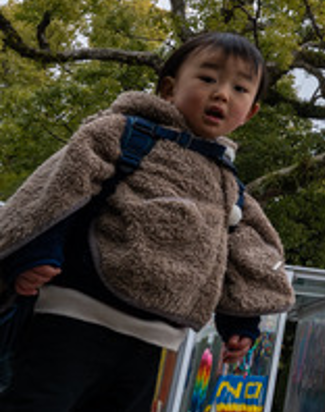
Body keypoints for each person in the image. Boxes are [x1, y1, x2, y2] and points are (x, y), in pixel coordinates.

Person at [0, 31, 294, 411]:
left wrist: (241, 322)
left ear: (250, 111)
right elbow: (60, 186)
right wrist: (37, 251)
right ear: (169, 89)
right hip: (73, 314)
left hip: (153, 339)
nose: (222, 94)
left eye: (240, 88)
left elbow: (245, 252)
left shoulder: (229, 188)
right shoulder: (125, 134)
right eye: (207, 79)